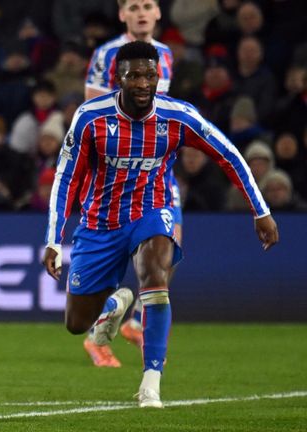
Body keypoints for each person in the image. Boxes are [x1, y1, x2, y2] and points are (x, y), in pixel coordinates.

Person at [42, 41, 278, 408]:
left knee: (155, 274)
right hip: (98, 224)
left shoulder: (178, 116)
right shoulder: (91, 117)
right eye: (133, 75)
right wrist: (54, 239)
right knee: (76, 322)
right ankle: (115, 304)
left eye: (149, 75)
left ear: (159, 77)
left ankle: (151, 383)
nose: (142, 83)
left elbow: (228, 154)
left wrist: (259, 210)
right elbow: (66, 177)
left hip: (151, 212)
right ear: (117, 78)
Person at [82, 0, 180, 365]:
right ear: (122, 14)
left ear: (158, 14)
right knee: (118, 252)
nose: (141, 12)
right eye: (133, 6)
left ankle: (136, 320)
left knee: (171, 245)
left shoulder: (166, 54)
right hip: (119, 168)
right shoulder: (107, 54)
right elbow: (91, 108)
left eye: (148, 5)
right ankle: (106, 318)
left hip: (159, 166)